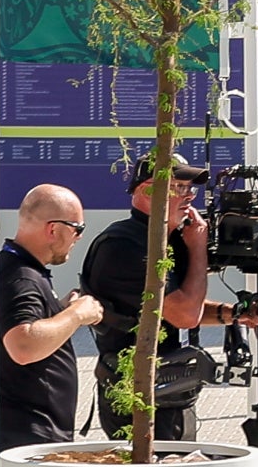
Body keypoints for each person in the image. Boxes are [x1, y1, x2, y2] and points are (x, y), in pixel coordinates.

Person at [77, 150, 221, 444]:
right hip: (137, 398)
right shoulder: (125, 246)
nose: (189, 196)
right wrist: (198, 247)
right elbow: (184, 313)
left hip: (171, 392)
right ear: (146, 191)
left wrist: (235, 314)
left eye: (189, 188)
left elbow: (169, 307)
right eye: (178, 187)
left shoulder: (166, 240)